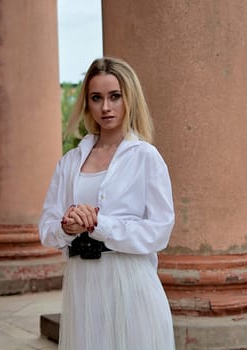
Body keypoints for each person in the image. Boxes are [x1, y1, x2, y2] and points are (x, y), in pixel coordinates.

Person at [39, 57, 175, 350]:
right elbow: (47, 228)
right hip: (82, 284)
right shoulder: (70, 162)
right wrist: (68, 225)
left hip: (130, 281)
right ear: (86, 103)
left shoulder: (146, 158)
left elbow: (159, 232)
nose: (106, 107)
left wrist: (99, 223)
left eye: (115, 96)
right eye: (96, 98)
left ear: (129, 99)